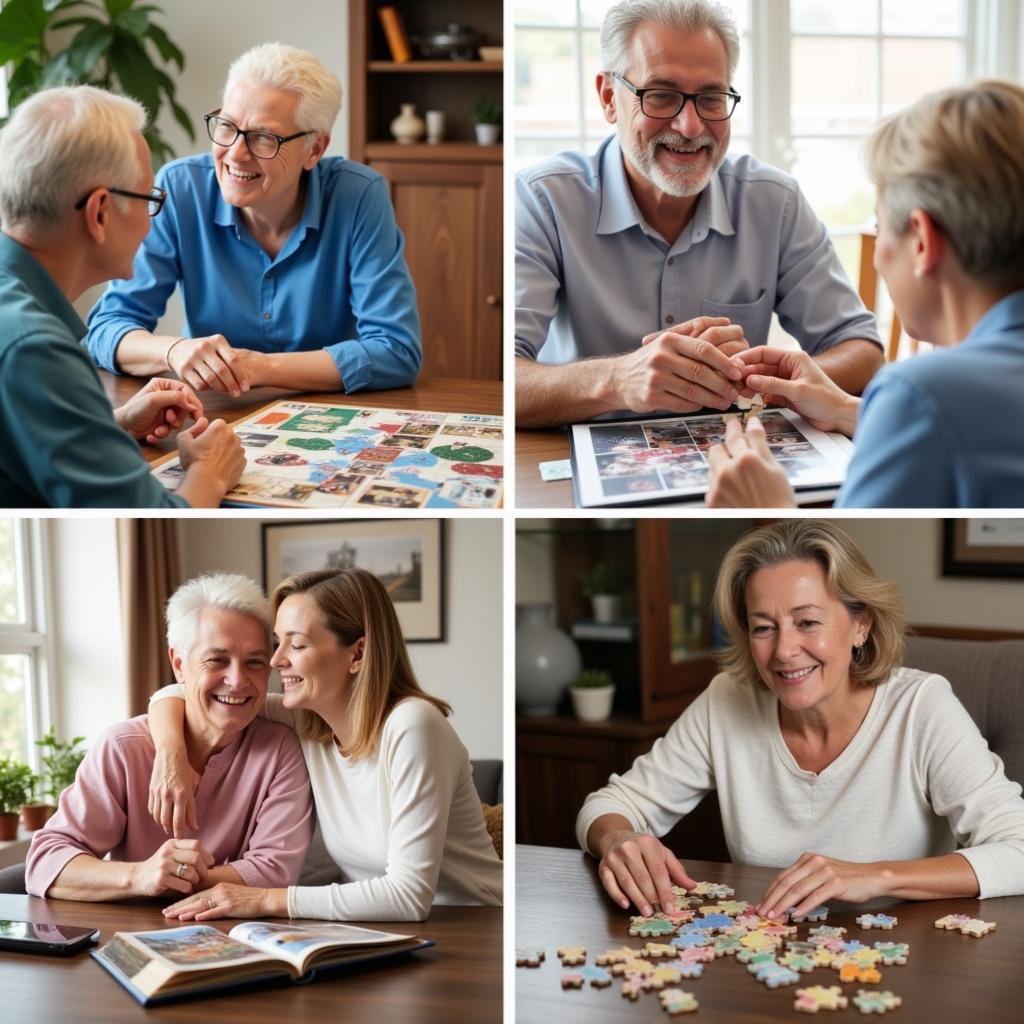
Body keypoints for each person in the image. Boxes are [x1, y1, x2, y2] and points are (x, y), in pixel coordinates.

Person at [578, 520, 1024, 920]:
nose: (784, 650)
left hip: (914, 964)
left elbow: (1019, 849)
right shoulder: (727, 700)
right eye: (763, 627)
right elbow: (608, 806)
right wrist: (617, 839)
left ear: (860, 625)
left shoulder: (921, 706)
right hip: (772, 959)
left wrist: (875, 877)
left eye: (807, 621)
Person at [515, 0, 883, 428]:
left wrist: (769, 382)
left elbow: (862, 349)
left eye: (710, 98)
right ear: (609, 97)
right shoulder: (543, 200)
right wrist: (618, 379)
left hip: (734, 464)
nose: (690, 127)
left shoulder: (774, 202)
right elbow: (509, 376)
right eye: (661, 95)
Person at [706, 79, 1024, 508]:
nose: (876, 257)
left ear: (922, 242)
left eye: (878, 227)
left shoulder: (920, 394)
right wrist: (845, 409)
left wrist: (769, 511)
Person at [146, 568, 502, 922]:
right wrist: (170, 752)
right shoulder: (309, 721)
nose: (275, 660)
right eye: (277, 641)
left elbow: (408, 896)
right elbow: (180, 691)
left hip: (472, 928)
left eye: (297, 644)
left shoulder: (413, 726)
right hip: (372, 932)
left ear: (358, 653)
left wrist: (261, 899)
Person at [85, 43, 420, 398]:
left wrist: (260, 367)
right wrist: (175, 350)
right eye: (227, 126)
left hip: (328, 417)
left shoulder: (359, 196)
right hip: (213, 416)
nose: (235, 154)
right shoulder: (181, 189)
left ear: (315, 150)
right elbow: (107, 329)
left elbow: (396, 351)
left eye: (264, 137)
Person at [0, 86, 245, 507]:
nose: (152, 224)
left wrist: (109, 424)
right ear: (99, 213)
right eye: (150, 199)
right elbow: (155, 514)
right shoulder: (35, 349)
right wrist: (210, 468)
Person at [25, 574, 313, 900]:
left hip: (234, 937)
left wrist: (169, 878)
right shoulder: (123, 749)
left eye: (255, 663)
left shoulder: (280, 750)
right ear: (179, 664)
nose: (237, 680)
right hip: (126, 937)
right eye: (217, 660)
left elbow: (274, 872)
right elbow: (44, 863)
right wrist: (138, 875)